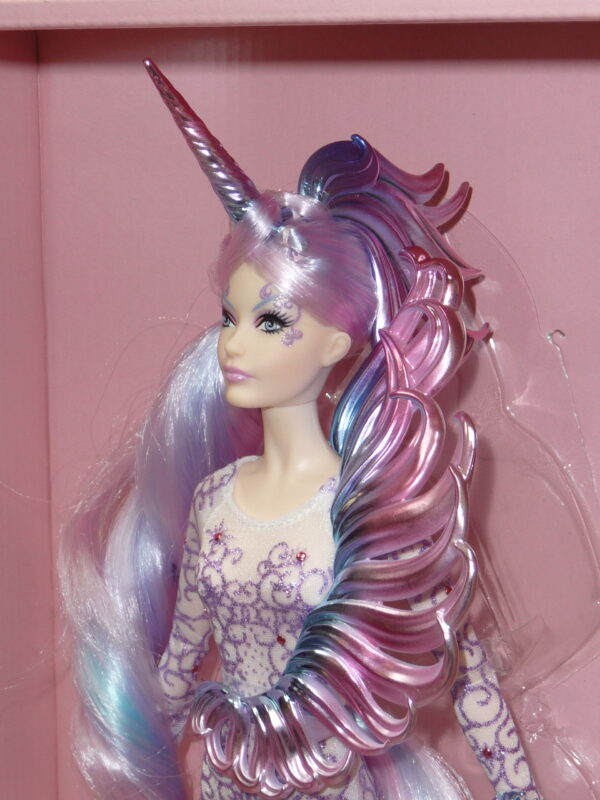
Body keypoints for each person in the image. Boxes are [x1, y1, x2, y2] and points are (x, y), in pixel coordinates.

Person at [60, 60, 543, 800]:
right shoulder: (215, 500)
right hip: (228, 780)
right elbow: (181, 663)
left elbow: (462, 668)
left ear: (336, 341)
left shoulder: (375, 511)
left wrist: (518, 790)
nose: (232, 343)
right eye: (229, 317)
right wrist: (140, 741)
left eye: (269, 322)